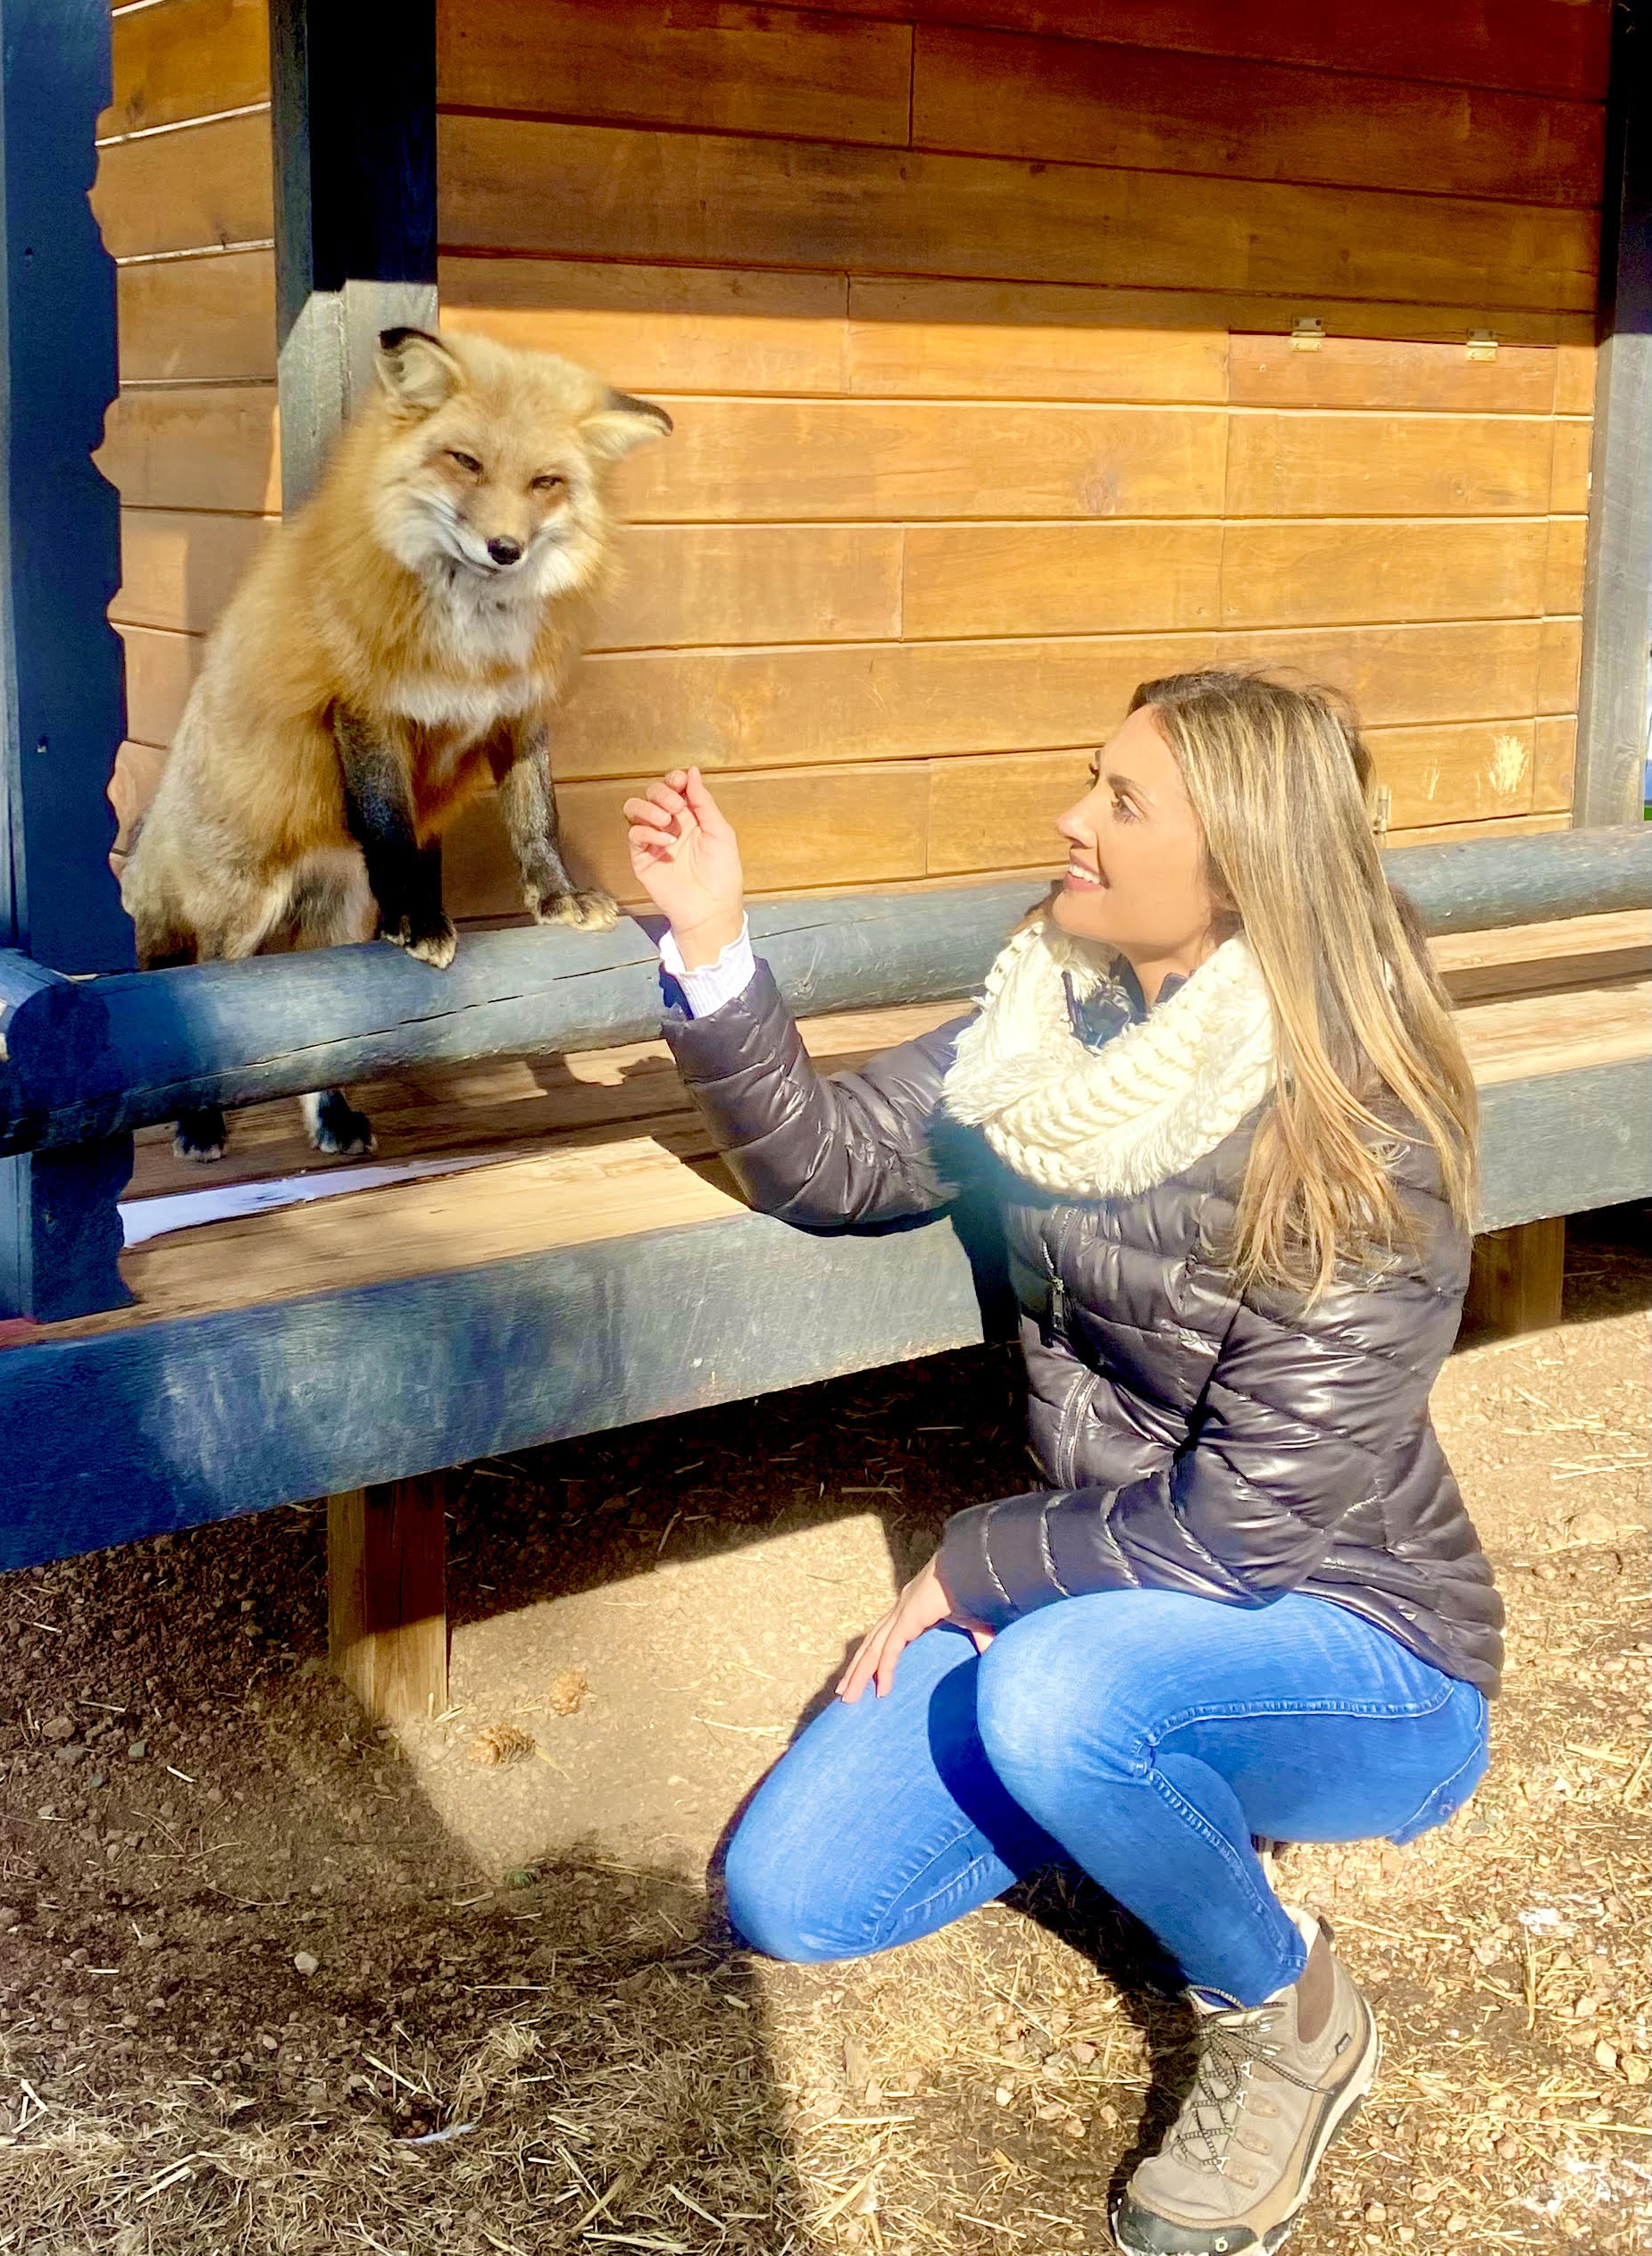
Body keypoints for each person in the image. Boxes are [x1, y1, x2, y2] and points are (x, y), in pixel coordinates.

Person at [623, 671, 1502, 2256]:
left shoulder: (1356, 1129)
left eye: (1122, 800)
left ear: (1234, 868)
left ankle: (1285, 2007)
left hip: (1361, 1641)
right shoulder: (1049, 1020)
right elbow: (834, 1160)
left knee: (1053, 1696)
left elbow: (1242, 1531)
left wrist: (977, 1565)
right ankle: (1123, 1772)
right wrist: (713, 948)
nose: (1070, 820)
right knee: (795, 1893)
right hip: (1110, 1599)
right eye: (1090, 783)